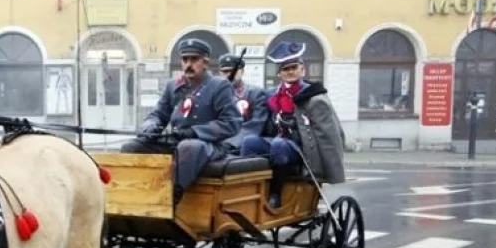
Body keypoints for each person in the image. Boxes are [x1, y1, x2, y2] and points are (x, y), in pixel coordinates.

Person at [121, 38, 241, 201]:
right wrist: (150, 127)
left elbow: (231, 123)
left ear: (205, 63)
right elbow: (158, 114)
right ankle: (131, 193)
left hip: (208, 145)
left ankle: (171, 196)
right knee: (131, 147)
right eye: (185, 60)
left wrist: (194, 132)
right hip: (175, 141)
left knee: (188, 146)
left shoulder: (219, 86)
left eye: (194, 60)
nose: (188, 65)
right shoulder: (173, 85)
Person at [240, 41, 346, 208]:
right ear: (279, 73)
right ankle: (248, 192)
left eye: (293, 67)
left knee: (279, 145)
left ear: (302, 69)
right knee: (249, 142)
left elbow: (328, 133)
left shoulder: (314, 96)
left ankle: (275, 193)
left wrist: (331, 167)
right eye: (285, 69)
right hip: (278, 141)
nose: (290, 72)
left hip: (303, 149)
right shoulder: (271, 95)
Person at [217, 52, 269, 155]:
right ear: (220, 73)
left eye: (233, 71)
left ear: (242, 71)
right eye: (225, 71)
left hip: (240, 147)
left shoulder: (256, 93)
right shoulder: (215, 96)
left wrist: (231, 142)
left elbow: (255, 124)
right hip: (217, 145)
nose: (229, 75)